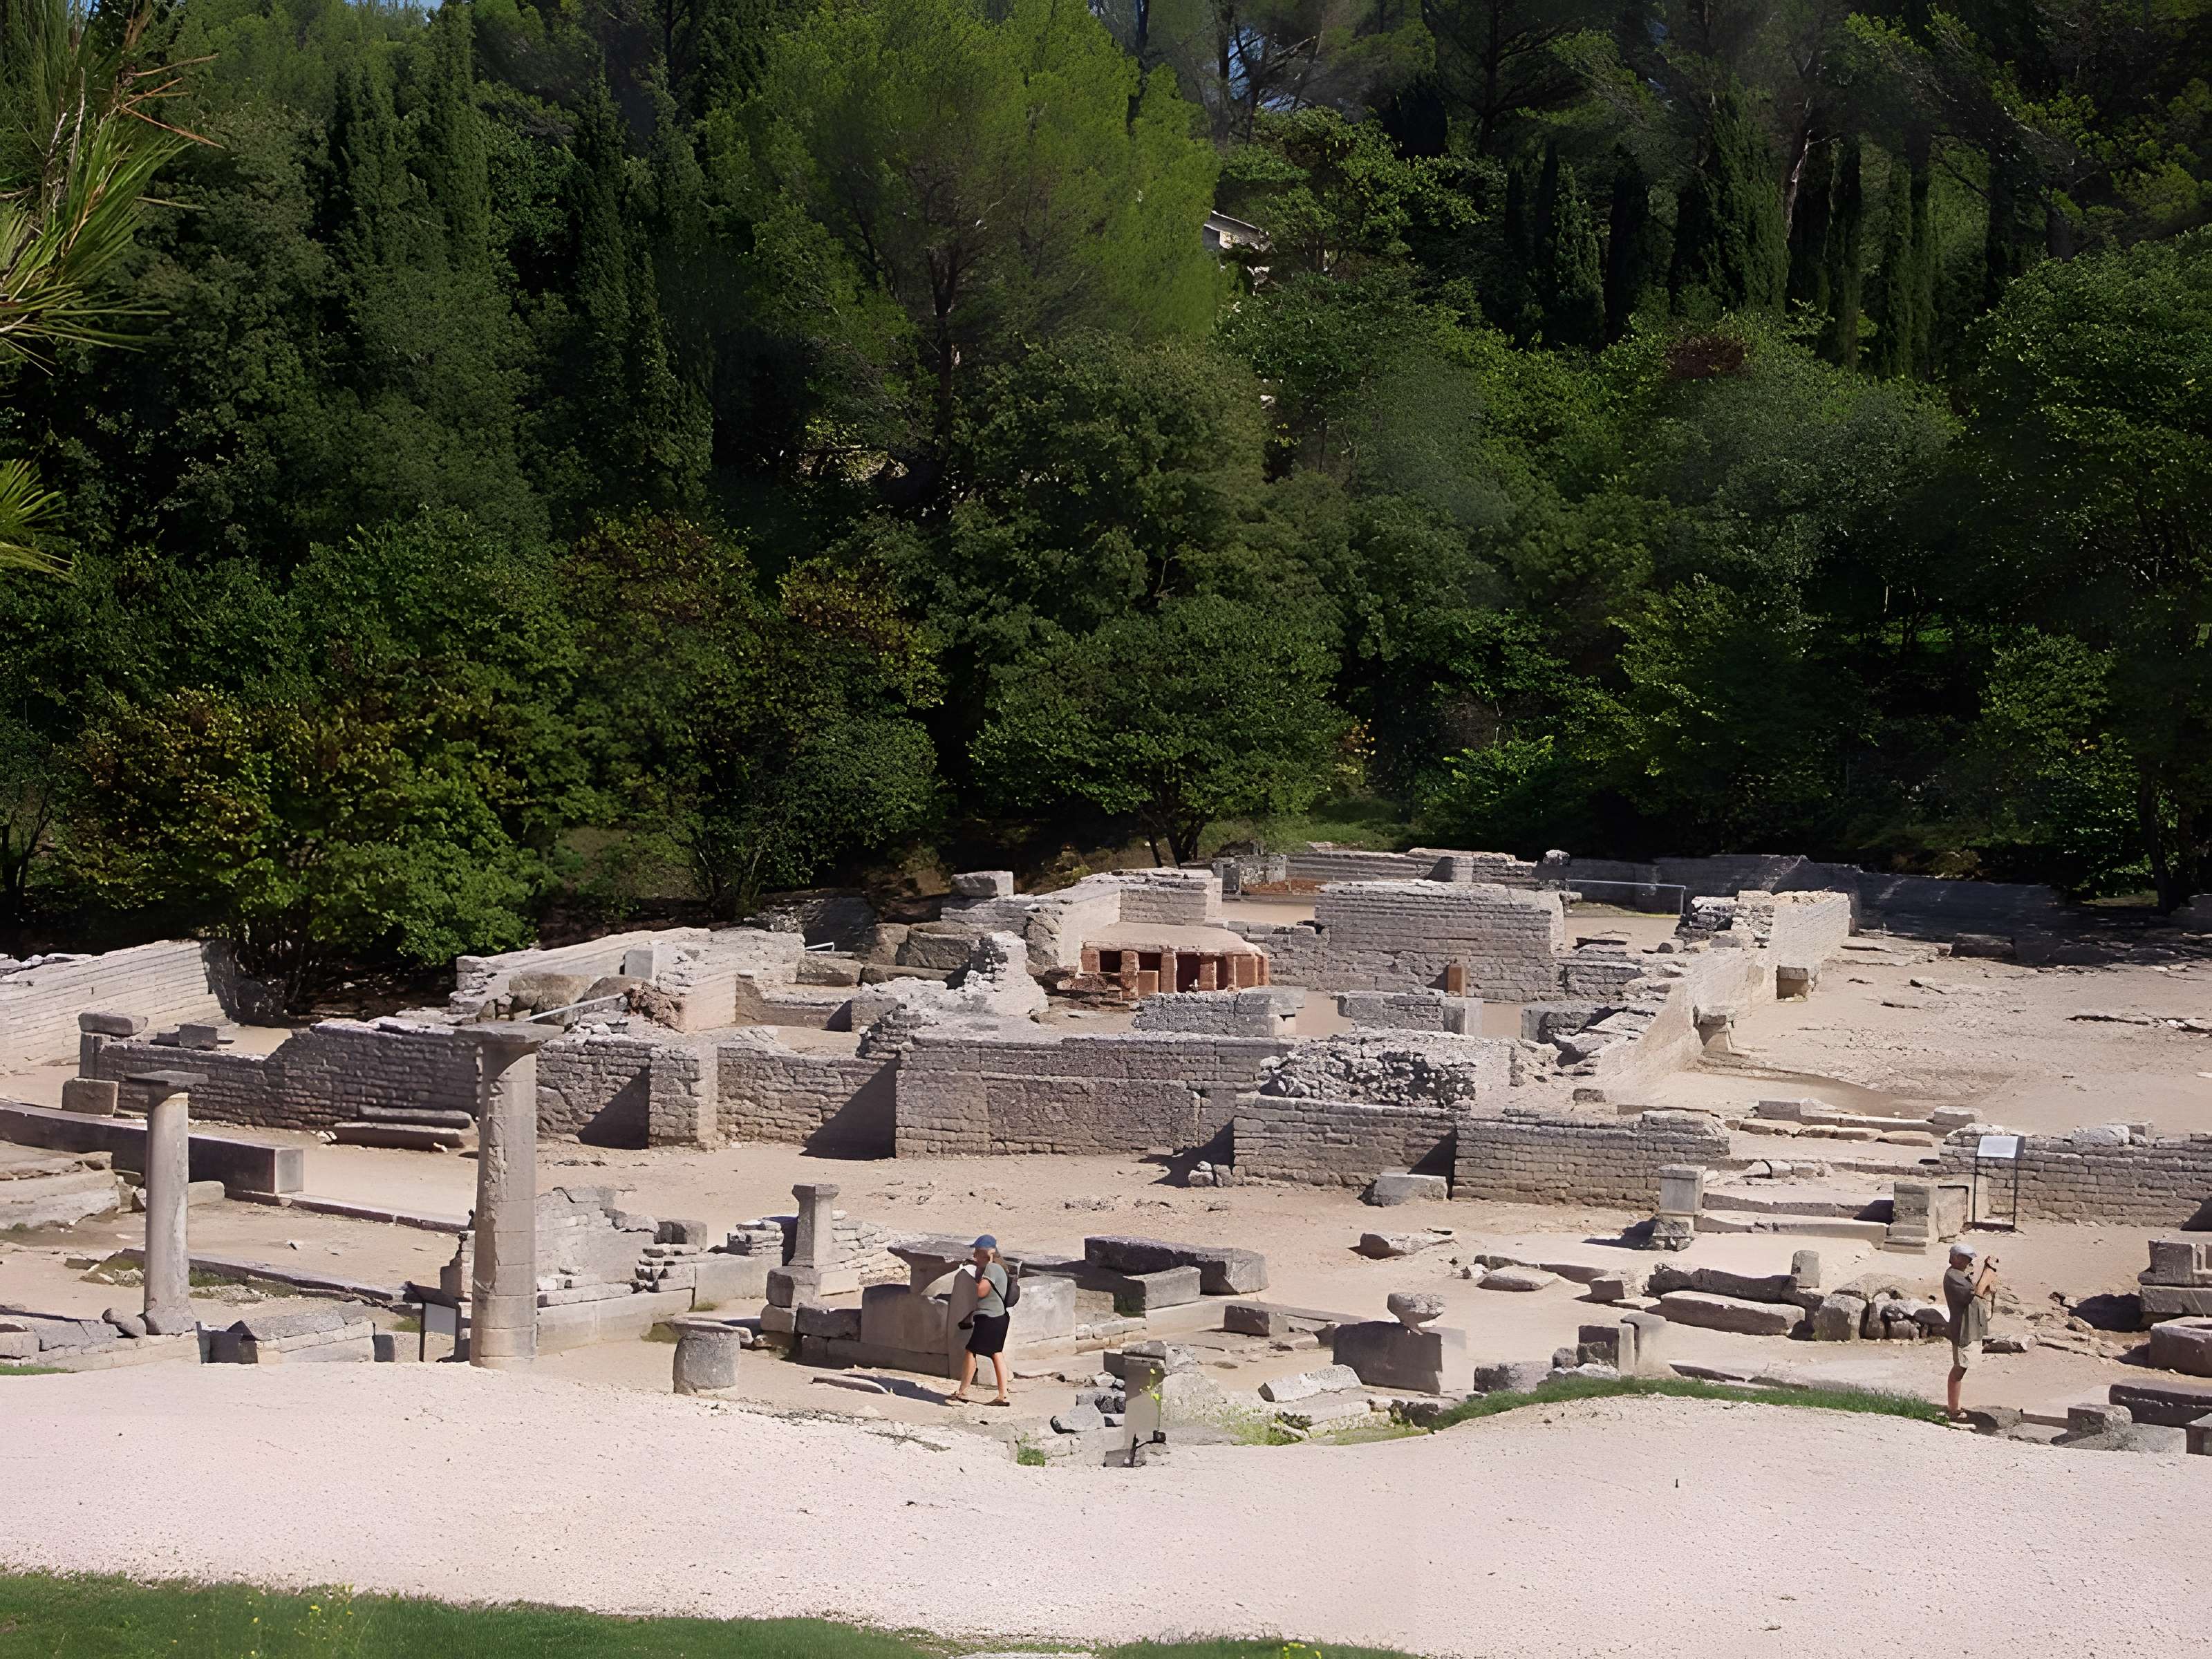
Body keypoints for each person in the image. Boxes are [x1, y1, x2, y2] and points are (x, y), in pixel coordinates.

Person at [948, 1235, 1012, 1407]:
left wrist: (972, 1281)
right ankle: (1003, 1395)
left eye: (977, 1252)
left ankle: (962, 1391)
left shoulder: (992, 1268)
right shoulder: (1000, 1268)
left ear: (985, 1253)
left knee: (971, 1351)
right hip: (999, 1317)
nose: (975, 1255)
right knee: (996, 1353)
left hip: (989, 1318)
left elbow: (981, 1292)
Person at [1942, 1241, 1998, 1421]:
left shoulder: (1960, 1275)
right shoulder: (1953, 1276)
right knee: (1959, 1368)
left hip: (1969, 1327)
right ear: (1956, 1258)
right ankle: (1954, 1410)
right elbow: (1973, 1295)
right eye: (1967, 1259)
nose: (1969, 1263)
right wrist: (1986, 1276)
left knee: (1962, 1367)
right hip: (1962, 1329)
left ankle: (1954, 1407)